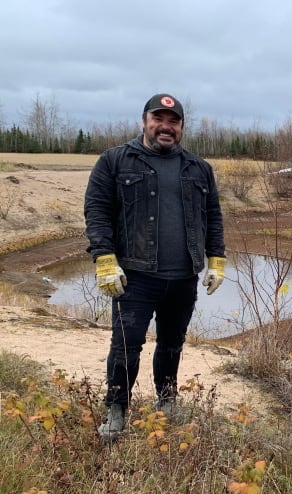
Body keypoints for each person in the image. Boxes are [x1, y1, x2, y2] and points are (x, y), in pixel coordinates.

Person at [84, 93, 226, 443]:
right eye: (158, 119)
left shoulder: (198, 168)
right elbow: (97, 211)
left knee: (171, 344)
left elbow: (213, 217)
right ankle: (116, 409)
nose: (166, 127)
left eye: (173, 121)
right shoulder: (115, 161)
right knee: (126, 346)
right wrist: (104, 258)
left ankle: (167, 400)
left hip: (182, 278)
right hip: (135, 278)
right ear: (144, 121)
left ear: (180, 126)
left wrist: (216, 259)